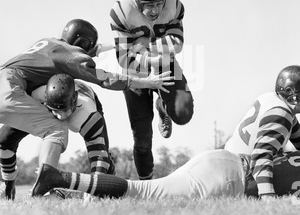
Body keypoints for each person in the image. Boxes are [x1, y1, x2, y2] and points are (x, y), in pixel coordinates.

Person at [0, 19, 173, 199]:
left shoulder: (51, 43)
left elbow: (93, 49)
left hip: (7, 81)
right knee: (55, 128)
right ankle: (44, 187)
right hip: (11, 89)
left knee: (6, 139)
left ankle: (8, 188)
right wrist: (147, 82)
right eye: (85, 49)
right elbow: (105, 77)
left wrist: (123, 45)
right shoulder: (66, 60)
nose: (59, 116)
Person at [110, 0, 194, 180]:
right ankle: (146, 182)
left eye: (159, 4)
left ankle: (163, 106)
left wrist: (143, 46)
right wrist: (149, 60)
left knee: (183, 112)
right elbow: (123, 59)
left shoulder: (174, 7)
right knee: (142, 137)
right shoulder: (121, 11)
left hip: (165, 64)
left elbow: (177, 43)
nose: (155, 10)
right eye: (149, 5)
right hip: (135, 73)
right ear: (138, 2)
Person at [30, 147, 300, 201]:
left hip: (222, 158)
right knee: (141, 191)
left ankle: (70, 192)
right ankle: (58, 178)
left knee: (144, 190)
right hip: (229, 179)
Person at [225, 65, 300, 200]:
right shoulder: (281, 114)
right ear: (291, 92)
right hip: (242, 173)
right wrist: (267, 194)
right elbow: (261, 155)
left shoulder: (272, 99)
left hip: (234, 162)